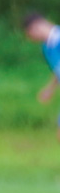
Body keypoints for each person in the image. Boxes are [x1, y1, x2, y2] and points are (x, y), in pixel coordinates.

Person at [23, 12, 60, 141]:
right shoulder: (47, 48)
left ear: (36, 26)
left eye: (30, 35)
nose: (32, 39)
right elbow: (58, 70)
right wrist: (50, 89)